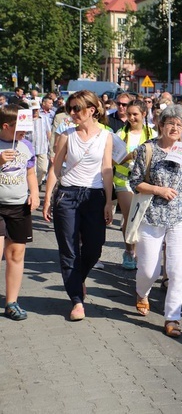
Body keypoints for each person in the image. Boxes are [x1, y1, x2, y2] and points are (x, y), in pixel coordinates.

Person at [42, 90, 114, 321]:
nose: (72, 113)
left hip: (94, 196)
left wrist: (108, 202)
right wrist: (47, 198)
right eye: (69, 109)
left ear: (92, 110)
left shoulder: (106, 136)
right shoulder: (66, 135)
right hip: (68, 195)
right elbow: (56, 168)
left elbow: (107, 169)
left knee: (95, 246)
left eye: (77, 109)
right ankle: (76, 300)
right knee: (69, 250)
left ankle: (78, 278)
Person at [130, 105, 182, 338]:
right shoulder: (147, 149)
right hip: (152, 215)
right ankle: (142, 292)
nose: (175, 128)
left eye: (180, 125)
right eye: (171, 123)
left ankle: (172, 317)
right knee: (150, 269)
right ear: (161, 125)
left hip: (180, 218)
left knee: (178, 270)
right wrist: (158, 189)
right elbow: (135, 181)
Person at [0, 105, 39, 320]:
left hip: (18, 206)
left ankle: (11, 302)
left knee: (16, 254)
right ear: (6, 126)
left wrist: (34, 193)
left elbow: (31, 172)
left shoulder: (26, 146)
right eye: (20, 129)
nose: (24, 134)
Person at [114, 100, 156, 270]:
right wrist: (131, 155)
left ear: (144, 114)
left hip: (146, 181)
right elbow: (112, 158)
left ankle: (142, 252)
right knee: (131, 217)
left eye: (135, 114)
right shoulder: (120, 134)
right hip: (124, 180)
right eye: (129, 114)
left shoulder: (152, 133)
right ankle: (129, 251)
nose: (131, 117)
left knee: (142, 220)